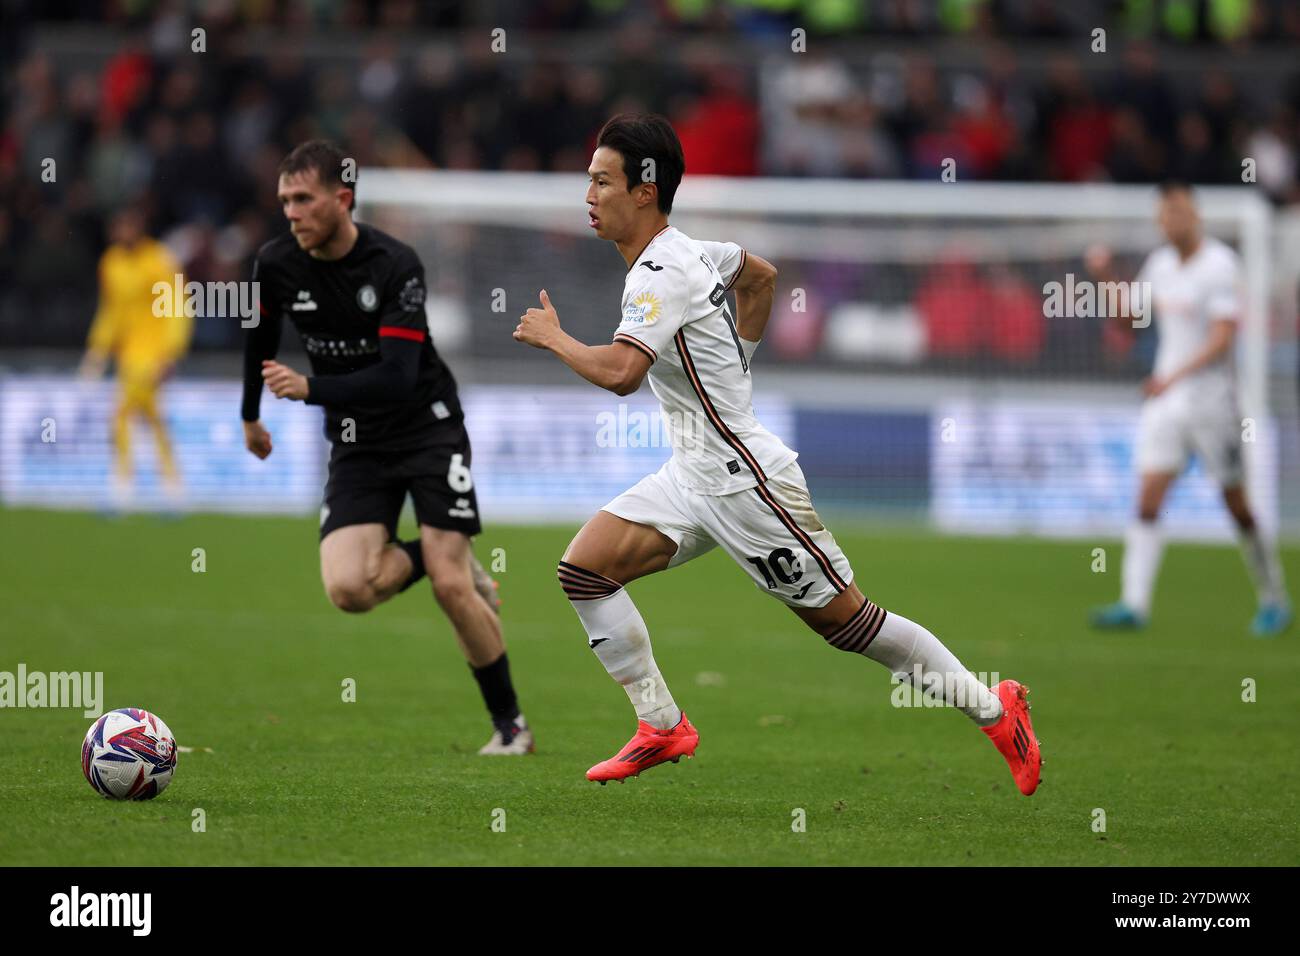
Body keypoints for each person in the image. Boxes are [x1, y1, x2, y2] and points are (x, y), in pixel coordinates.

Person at [513, 114, 1041, 792]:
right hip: (692, 473)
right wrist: (737, 368)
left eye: (601, 181)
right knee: (584, 571)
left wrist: (555, 338)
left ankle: (997, 709)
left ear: (644, 191)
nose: (588, 194)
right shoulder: (695, 251)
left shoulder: (657, 275)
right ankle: (662, 725)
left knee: (849, 624)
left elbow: (622, 374)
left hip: (745, 485)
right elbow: (759, 277)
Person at [243, 139, 533, 754]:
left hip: (427, 426)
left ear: (342, 199)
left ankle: (511, 727)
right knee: (349, 590)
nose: (290, 212)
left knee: (455, 588)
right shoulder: (275, 263)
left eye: (303, 198)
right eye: (284, 201)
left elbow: (398, 376)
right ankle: (435, 552)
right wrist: (251, 416)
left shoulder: (395, 264)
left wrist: (310, 387)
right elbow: (259, 339)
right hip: (358, 442)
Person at [1088, 181, 1291, 637]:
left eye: (1178, 211)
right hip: (1167, 403)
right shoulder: (1159, 264)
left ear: (1194, 214)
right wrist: (1103, 277)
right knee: (1147, 499)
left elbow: (1222, 339)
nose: (1171, 220)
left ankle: (1274, 597)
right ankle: (1133, 603)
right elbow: (1129, 321)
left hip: (1212, 404)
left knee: (1235, 504)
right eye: (1164, 213)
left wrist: (1172, 377)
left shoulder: (1219, 264)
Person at [80, 206, 192, 510]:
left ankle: (124, 486)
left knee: (123, 415)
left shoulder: (160, 260)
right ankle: (172, 488)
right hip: (128, 355)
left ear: (139, 227)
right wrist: (98, 350)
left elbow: (177, 307)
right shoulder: (111, 263)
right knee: (150, 419)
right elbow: (111, 312)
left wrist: (171, 353)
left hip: (153, 354)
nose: (120, 233)